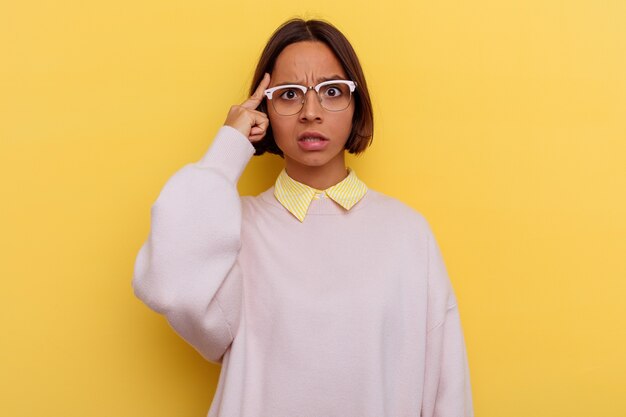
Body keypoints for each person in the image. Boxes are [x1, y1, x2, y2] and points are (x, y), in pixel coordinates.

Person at [132, 18, 474, 417]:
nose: (311, 112)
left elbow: (447, 389)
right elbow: (170, 286)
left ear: (357, 104)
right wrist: (227, 148)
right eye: (289, 94)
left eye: (331, 91)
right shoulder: (233, 230)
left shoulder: (407, 233)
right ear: (265, 110)